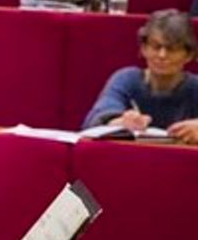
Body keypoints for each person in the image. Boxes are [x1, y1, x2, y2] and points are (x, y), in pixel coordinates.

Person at [82, 10, 198, 143]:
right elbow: (95, 119)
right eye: (155, 47)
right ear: (143, 49)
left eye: (172, 49)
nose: (162, 55)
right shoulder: (126, 79)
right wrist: (120, 122)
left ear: (189, 55)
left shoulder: (195, 87)